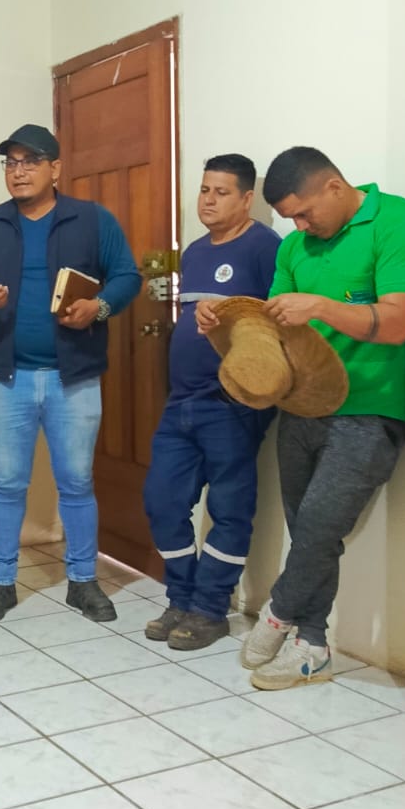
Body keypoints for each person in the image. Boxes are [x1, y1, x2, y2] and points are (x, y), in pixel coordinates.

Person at [227, 146, 405, 690]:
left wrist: (321, 306)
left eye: (304, 214)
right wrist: (227, 322)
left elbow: (400, 322)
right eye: (291, 218)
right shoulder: (294, 247)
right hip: (301, 404)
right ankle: (312, 647)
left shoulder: (395, 219)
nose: (299, 226)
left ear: (334, 186)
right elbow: (275, 331)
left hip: (370, 406)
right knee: (308, 532)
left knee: (317, 526)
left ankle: (278, 613)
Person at [0, 123, 143, 625]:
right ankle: (0, 583)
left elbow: (127, 276)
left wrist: (98, 307)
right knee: (8, 484)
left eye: (30, 161)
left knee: (76, 482)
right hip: (5, 378)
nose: (19, 171)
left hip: (72, 378)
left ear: (55, 168)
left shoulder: (91, 220)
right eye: (11, 162)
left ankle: (83, 581)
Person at [143, 155, 280, 651]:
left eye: (221, 192)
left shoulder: (265, 247)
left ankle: (209, 608)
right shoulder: (197, 252)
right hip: (181, 401)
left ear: (247, 199)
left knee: (229, 507)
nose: (208, 200)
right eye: (204, 190)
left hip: (231, 404)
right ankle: (181, 597)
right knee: (162, 501)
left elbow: (278, 323)